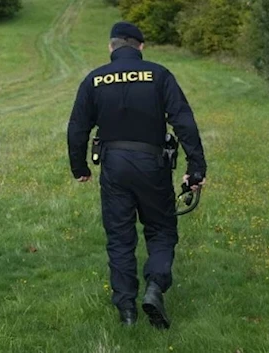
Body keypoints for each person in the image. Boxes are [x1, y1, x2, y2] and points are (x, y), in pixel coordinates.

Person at [67, 22, 207, 327]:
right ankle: (155, 287)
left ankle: (126, 310)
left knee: (119, 237)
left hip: (113, 165)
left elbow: (77, 128)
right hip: (152, 163)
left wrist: (80, 167)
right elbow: (184, 121)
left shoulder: (94, 79)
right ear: (140, 47)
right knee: (161, 229)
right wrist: (196, 168)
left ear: (111, 47)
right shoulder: (159, 75)